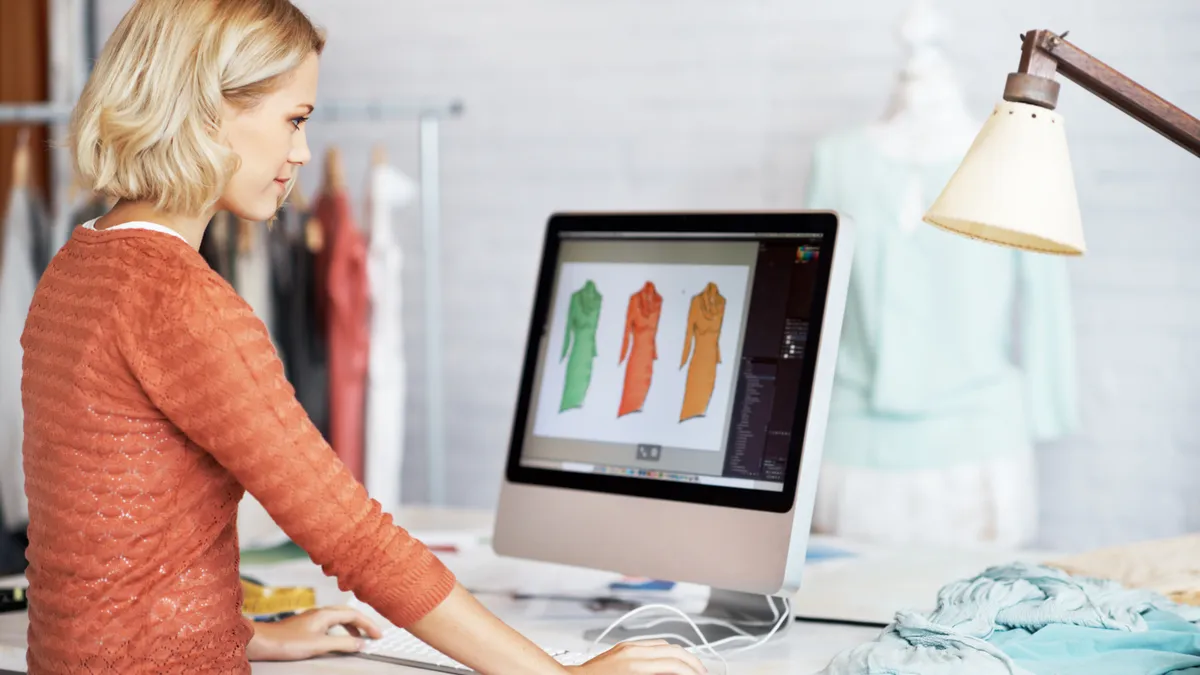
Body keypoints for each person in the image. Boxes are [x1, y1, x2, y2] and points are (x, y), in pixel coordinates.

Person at [19, 1, 706, 673]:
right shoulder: (180, 302)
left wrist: (250, 632)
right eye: (293, 120)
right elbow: (353, 535)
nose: (302, 152)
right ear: (207, 110)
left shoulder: (78, 267)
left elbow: (111, 544)